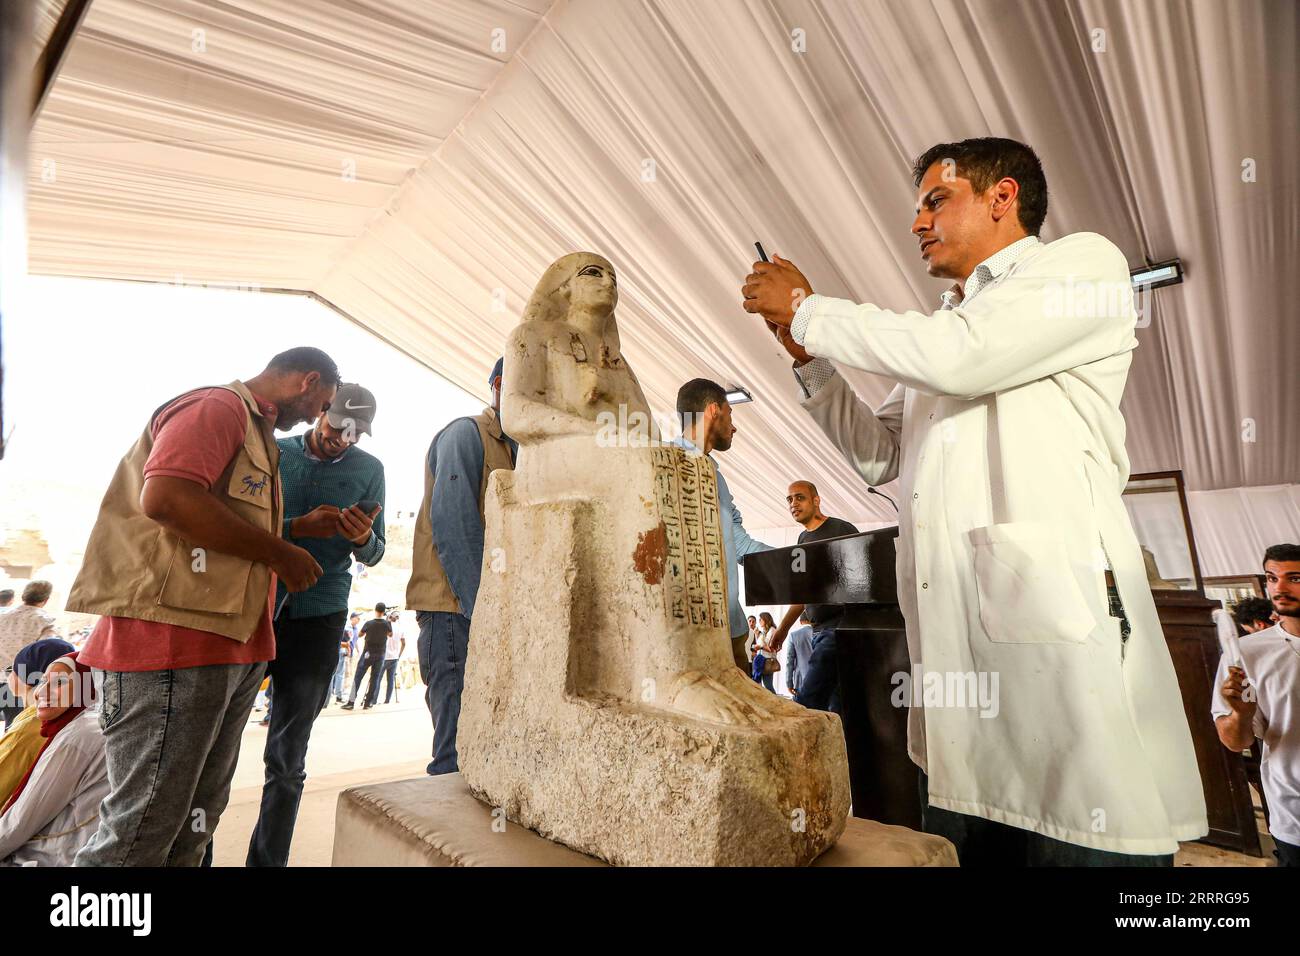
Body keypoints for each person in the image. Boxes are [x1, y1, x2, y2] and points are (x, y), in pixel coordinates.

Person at [741, 136, 1205, 864]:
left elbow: (964, 355)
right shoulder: (950, 324)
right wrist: (812, 360)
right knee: (977, 828)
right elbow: (878, 452)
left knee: (1079, 822)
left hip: (1052, 631)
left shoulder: (1079, 266)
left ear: (1002, 196)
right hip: (958, 671)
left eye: (935, 201)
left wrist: (807, 307)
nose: (918, 223)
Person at [66, 346, 337, 866]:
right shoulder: (218, 408)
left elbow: (226, 530)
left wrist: (294, 531)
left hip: (225, 651)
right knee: (140, 832)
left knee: (193, 825)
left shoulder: (259, 434)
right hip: (174, 647)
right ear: (308, 381)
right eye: (323, 403)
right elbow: (167, 498)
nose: (319, 416)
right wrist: (282, 552)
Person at [246, 383, 385, 867]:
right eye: (336, 427)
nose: (342, 440)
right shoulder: (273, 452)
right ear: (320, 410)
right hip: (254, 607)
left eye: (353, 435)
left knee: (286, 760)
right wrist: (297, 528)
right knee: (215, 749)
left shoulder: (370, 472)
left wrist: (364, 538)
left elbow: (376, 551)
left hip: (321, 616)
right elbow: (240, 525)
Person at [408, 358, 517, 774]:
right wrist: (484, 610)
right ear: (500, 385)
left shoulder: (519, 451)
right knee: (455, 751)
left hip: (489, 611)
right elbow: (455, 528)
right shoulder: (465, 435)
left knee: (488, 742)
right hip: (455, 610)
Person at [670, 379, 772, 671]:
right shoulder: (663, 462)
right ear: (714, 411)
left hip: (730, 626)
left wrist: (793, 559)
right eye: (730, 414)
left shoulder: (718, 478)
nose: (734, 426)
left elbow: (740, 544)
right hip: (685, 629)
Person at [1214, 544, 1300, 867]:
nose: (1280, 587)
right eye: (1272, 578)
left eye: (1294, 578)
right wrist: (1240, 714)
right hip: (1294, 815)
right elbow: (1234, 741)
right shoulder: (1247, 654)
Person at [0, 653, 108, 866]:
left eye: (59, 683)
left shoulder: (78, 736)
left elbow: (19, 822)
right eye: (43, 681)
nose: (42, 692)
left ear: (85, 687)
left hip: (46, 858)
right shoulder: (86, 725)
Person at [769, 481, 858, 712]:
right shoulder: (802, 540)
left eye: (799, 497)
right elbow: (802, 593)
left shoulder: (841, 529)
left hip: (840, 628)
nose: (793, 504)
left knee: (807, 702)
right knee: (835, 706)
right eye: (789, 499)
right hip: (818, 631)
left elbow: (863, 574)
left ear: (816, 500)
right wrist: (782, 629)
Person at [0, 638, 75, 808]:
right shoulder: (69, 711)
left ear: (28, 678)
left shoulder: (32, 727)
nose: (9, 675)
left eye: (12, 670)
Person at [0, 581, 57, 728]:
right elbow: (49, 655)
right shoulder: (45, 621)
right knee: (14, 732)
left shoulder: (2, 615)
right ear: (45, 600)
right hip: (19, 684)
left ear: (23, 596)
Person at [343, 604, 391, 711]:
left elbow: (360, 635)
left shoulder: (369, 623)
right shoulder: (387, 624)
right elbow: (390, 634)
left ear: (375, 610)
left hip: (367, 654)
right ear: (383, 611)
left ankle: (351, 702)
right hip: (380, 655)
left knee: (358, 677)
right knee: (375, 679)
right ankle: (368, 703)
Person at [783, 611, 814, 698]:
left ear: (801, 622)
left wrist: (789, 683)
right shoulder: (820, 633)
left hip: (800, 680)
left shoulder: (794, 635)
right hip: (819, 678)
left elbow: (790, 661)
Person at [751, 612, 778, 691]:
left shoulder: (772, 630)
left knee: (768, 685)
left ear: (766, 620)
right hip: (760, 660)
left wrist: (760, 647)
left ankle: (775, 702)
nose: (759, 621)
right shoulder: (764, 631)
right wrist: (757, 635)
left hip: (767, 660)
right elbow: (761, 644)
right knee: (758, 685)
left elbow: (771, 648)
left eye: (760, 619)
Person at [382, 612, 405, 704]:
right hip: (394, 657)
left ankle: (373, 699)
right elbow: (404, 643)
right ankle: (387, 700)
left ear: (390, 617)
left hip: (384, 657)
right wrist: (399, 655)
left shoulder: (385, 626)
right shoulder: (401, 628)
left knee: (377, 679)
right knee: (390, 680)